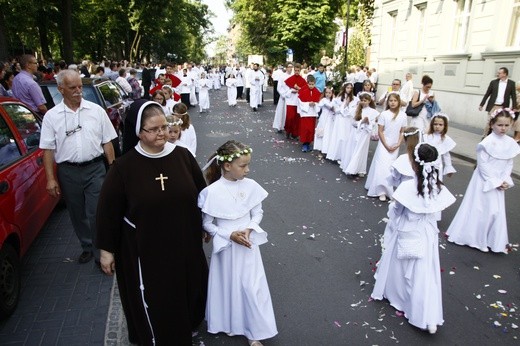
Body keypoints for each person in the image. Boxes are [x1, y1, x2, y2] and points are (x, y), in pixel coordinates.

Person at [96, 100, 209, 345]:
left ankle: (187, 326)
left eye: (164, 127)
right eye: (154, 129)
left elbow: (202, 194)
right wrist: (106, 251)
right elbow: (108, 211)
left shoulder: (182, 156)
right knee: (158, 296)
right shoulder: (124, 167)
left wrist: (206, 225)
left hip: (184, 239)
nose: (162, 133)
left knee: (188, 287)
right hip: (146, 248)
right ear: (138, 131)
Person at [371, 143, 456, 335]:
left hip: (407, 229)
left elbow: (396, 211)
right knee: (424, 270)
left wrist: (393, 210)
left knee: (402, 266)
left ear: (415, 164)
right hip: (427, 233)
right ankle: (426, 312)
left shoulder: (408, 187)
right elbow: (435, 211)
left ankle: (403, 299)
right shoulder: (437, 187)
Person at [199, 140, 277, 346]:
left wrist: (249, 228)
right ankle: (230, 323)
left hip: (248, 246)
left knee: (252, 287)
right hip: (227, 248)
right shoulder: (211, 192)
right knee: (229, 285)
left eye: (248, 165)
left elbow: (257, 211)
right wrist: (228, 235)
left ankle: (255, 332)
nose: (247, 170)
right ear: (227, 166)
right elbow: (208, 224)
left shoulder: (251, 186)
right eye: (243, 166)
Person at [39, 69, 117, 265]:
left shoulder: (96, 111)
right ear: (61, 89)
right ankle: (87, 246)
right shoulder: (51, 116)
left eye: (80, 87)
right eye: (72, 87)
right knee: (77, 212)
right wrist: (50, 178)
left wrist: (113, 169)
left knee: (95, 211)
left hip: (95, 169)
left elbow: (108, 142)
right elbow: (47, 150)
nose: (78, 91)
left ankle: (102, 254)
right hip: (68, 172)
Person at [446, 108, 520, 254]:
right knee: (482, 208)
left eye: (506, 125)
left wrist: (505, 180)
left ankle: (490, 239)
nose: (503, 128)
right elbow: (483, 165)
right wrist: (496, 182)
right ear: (492, 124)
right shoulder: (487, 142)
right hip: (484, 181)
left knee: (496, 211)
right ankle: (476, 239)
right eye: (500, 125)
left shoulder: (510, 143)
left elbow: (508, 163)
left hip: (499, 181)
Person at [365, 92, 407, 201]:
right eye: (391, 101)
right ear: (388, 102)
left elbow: (402, 131)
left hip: (395, 145)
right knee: (381, 166)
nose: (393, 103)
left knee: (390, 168)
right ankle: (381, 191)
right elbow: (380, 131)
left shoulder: (403, 115)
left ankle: (387, 188)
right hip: (384, 144)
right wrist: (386, 145)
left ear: (398, 102)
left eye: (395, 101)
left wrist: (398, 143)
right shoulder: (384, 114)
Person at [340, 92, 379, 177]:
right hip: (355, 132)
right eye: (362, 100)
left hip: (364, 134)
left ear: (369, 101)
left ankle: (358, 169)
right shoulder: (356, 109)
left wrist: (368, 122)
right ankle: (350, 167)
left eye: (365, 100)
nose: (363, 102)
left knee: (361, 151)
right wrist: (361, 122)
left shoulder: (373, 112)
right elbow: (353, 123)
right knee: (353, 149)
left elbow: (373, 124)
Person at [325, 82, 357, 161]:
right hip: (340, 119)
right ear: (344, 88)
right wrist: (344, 105)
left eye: (350, 88)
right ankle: (336, 155)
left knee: (346, 136)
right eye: (347, 88)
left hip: (348, 119)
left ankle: (344, 156)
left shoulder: (355, 98)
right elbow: (335, 109)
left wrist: (349, 109)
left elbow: (355, 109)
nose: (349, 89)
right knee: (339, 136)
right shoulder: (339, 98)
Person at [424, 113, 456, 179]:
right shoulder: (426, 137)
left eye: (440, 125)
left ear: (445, 126)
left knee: (436, 182)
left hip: (437, 165)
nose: (437, 126)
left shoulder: (445, 139)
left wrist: (448, 167)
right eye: (435, 124)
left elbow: (446, 155)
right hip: (425, 164)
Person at [281, 63, 307, 139]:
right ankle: (288, 131)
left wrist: (298, 88)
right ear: (293, 70)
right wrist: (291, 90)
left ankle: (295, 133)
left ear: (300, 71)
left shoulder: (302, 80)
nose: (297, 72)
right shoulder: (289, 79)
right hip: (290, 100)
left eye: (298, 71)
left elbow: (304, 91)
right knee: (290, 117)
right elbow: (285, 90)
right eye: (295, 70)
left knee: (296, 118)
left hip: (297, 101)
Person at [297, 74, 321, 152]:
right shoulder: (303, 91)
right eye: (309, 84)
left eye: (312, 84)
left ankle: (309, 142)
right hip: (305, 113)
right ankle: (304, 143)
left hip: (312, 113)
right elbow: (300, 102)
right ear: (307, 83)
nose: (311, 86)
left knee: (311, 129)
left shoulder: (317, 92)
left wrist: (315, 104)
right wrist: (308, 104)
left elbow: (319, 103)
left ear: (315, 83)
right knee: (305, 129)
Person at [313, 87, 335, 155]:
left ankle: (327, 149)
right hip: (324, 118)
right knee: (322, 132)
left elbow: (334, 107)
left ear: (332, 94)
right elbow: (319, 107)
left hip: (331, 119)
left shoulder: (333, 100)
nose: (328, 94)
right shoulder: (323, 100)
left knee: (329, 133)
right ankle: (320, 148)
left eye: (329, 93)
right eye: (326, 93)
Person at [272, 63, 293, 133]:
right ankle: (279, 126)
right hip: (283, 97)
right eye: (289, 67)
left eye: (291, 67)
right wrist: (284, 94)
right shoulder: (282, 76)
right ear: (286, 68)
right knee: (281, 112)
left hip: (291, 97)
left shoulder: (293, 76)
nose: (290, 68)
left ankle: (288, 127)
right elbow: (279, 87)